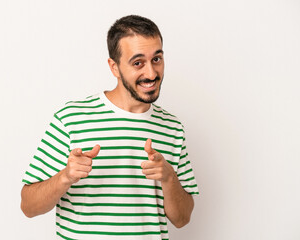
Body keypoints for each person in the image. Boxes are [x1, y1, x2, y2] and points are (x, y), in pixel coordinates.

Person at [21, 15, 199, 239]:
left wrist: (168, 178)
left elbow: (182, 219)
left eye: (156, 59)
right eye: (138, 63)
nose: (152, 73)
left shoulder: (173, 128)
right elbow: (28, 206)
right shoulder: (71, 118)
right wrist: (66, 176)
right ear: (114, 67)